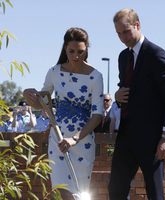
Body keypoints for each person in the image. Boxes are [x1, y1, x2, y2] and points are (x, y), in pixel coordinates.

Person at [108, 8, 165, 200]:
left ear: (137, 25)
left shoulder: (156, 54)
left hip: (153, 139)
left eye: (126, 31)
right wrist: (117, 95)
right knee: (115, 189)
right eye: (118, 33)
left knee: (154, 192)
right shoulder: (123, 57)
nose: (122, 37)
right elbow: (125, 88)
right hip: (126, 136)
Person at [23, 27, 103, 199]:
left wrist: (74, 139)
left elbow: (98, 115)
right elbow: (42, 103)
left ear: (87, 49)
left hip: (82, 141)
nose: (75, 56)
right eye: (71, 51)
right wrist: (29, 96)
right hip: (58, 140)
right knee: (61, 191)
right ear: (65, 48)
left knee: (79, 194)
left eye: (81, 52)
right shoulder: (54, 72)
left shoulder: (96, 76)